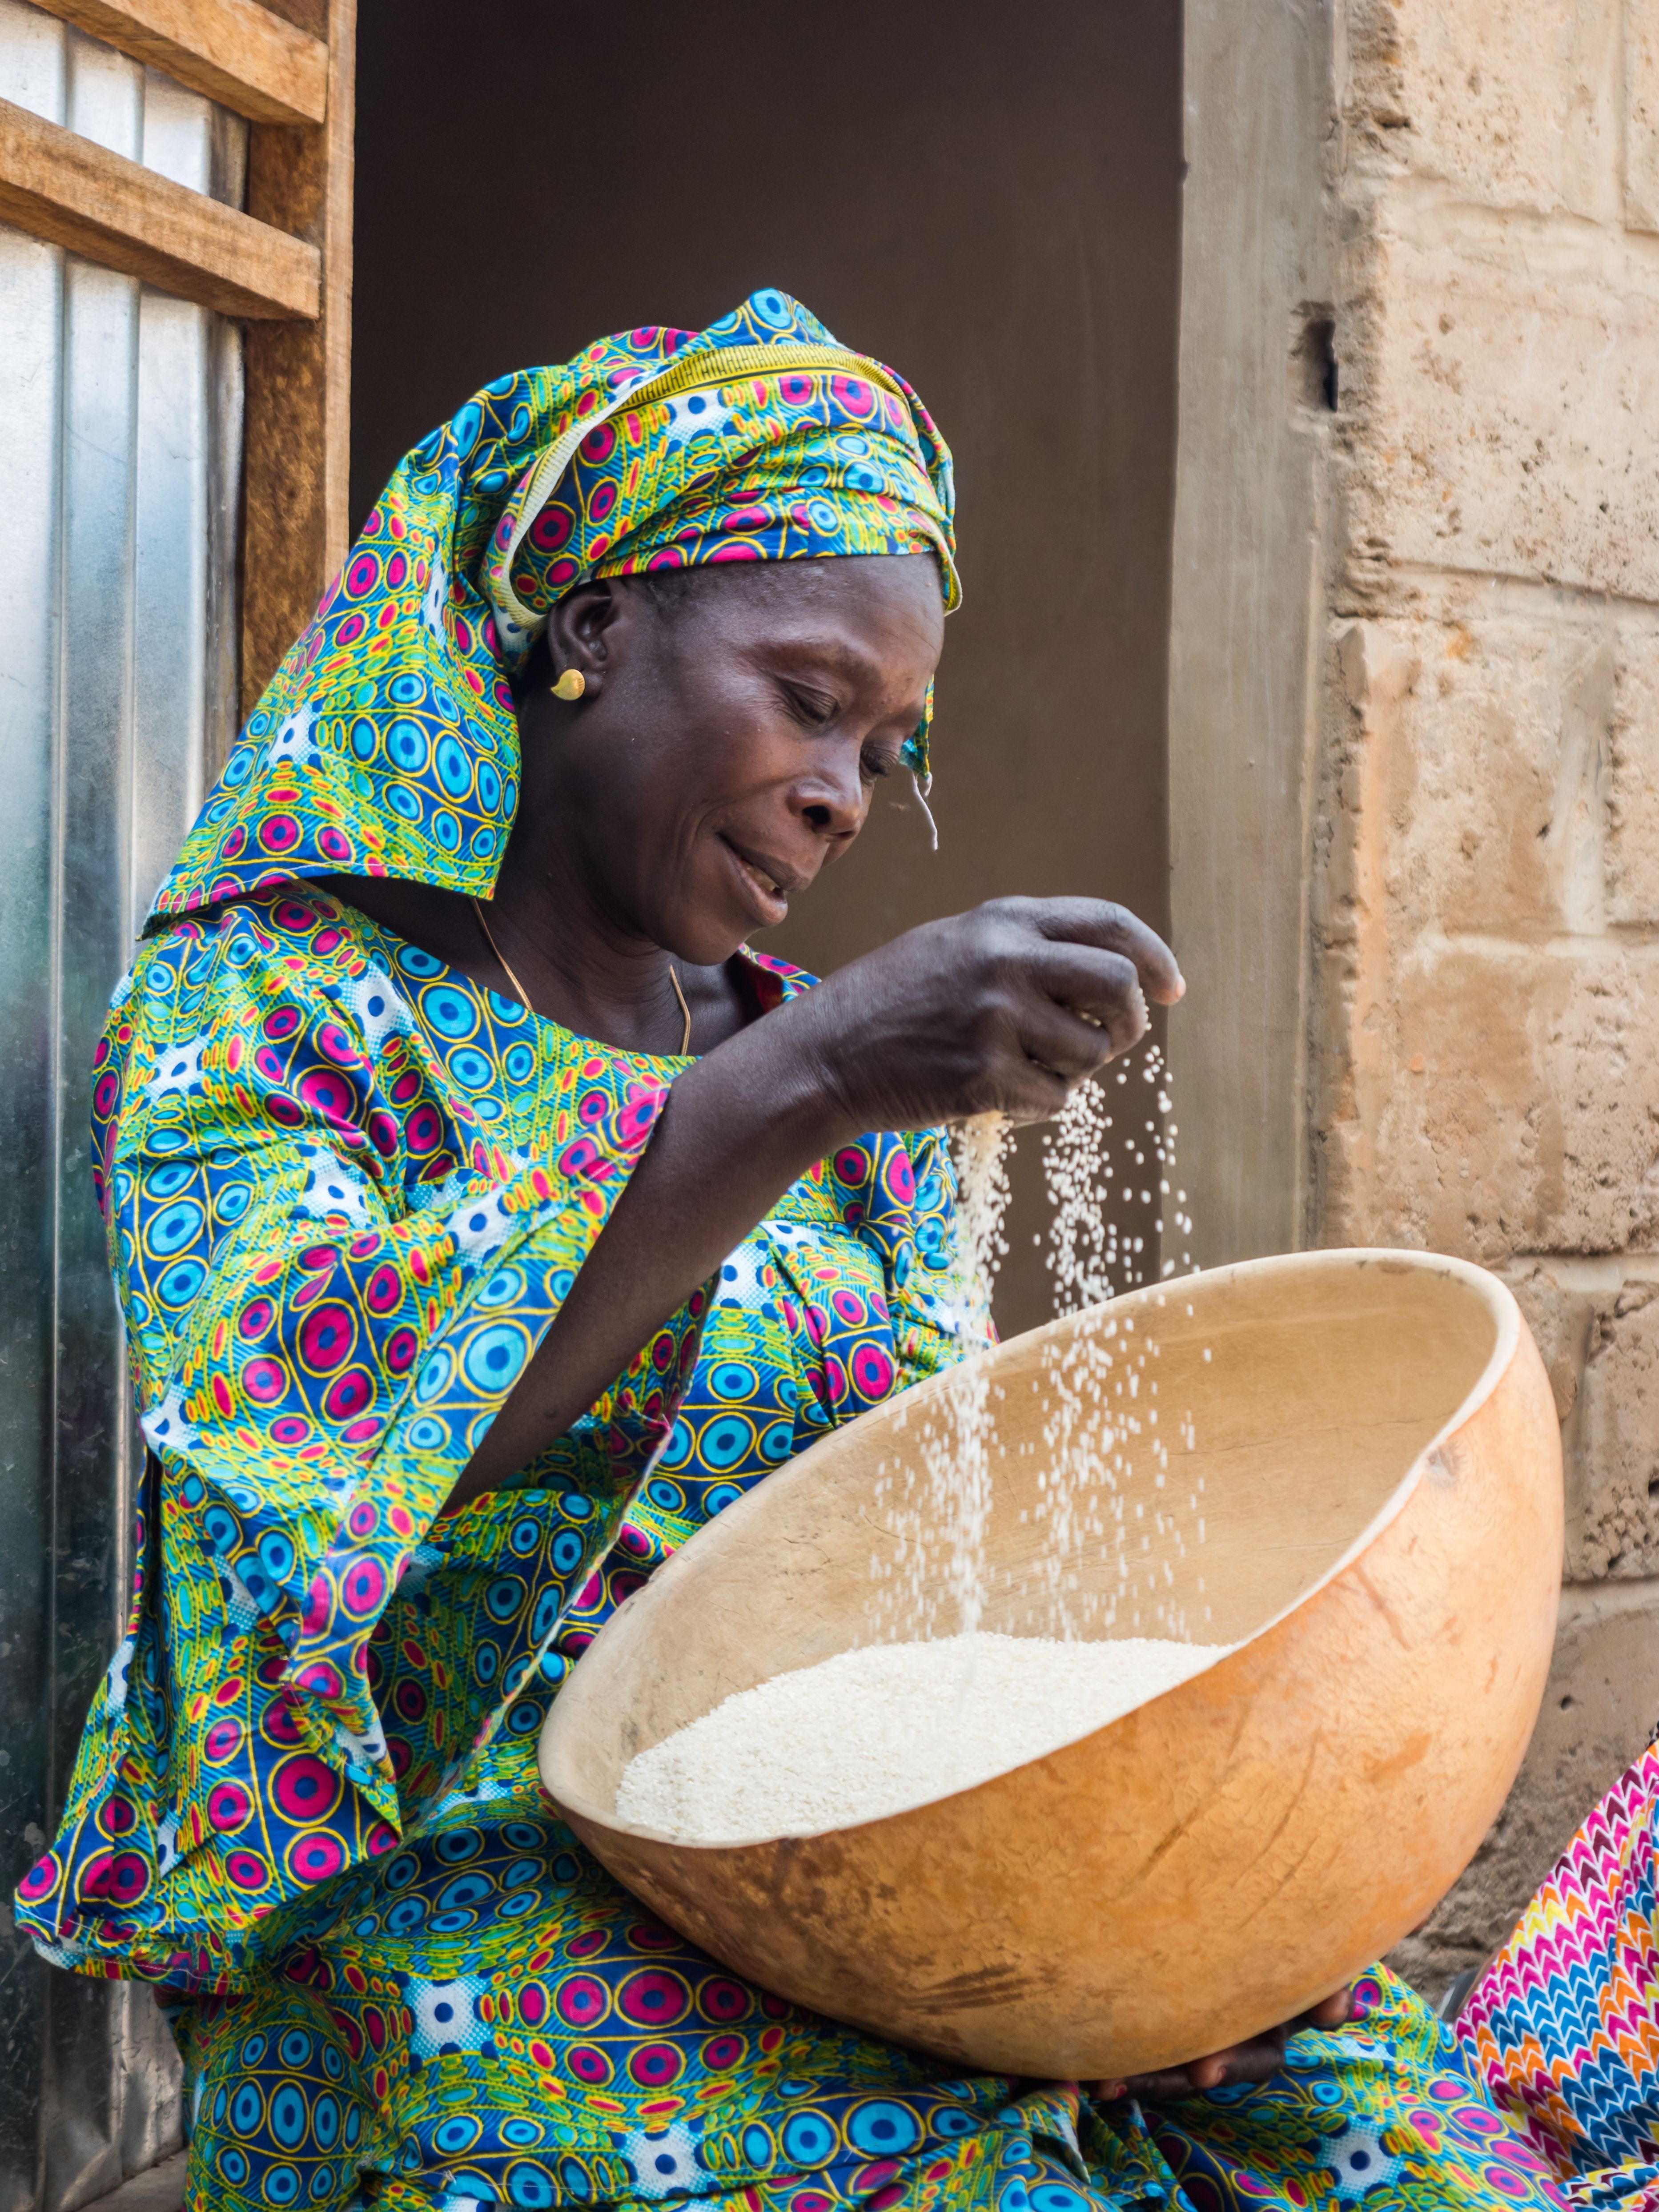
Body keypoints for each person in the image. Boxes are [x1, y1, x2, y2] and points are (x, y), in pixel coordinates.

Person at [16, 292, 1572, 2212]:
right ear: (592, 626)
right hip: (465, 1887)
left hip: (867, 1858)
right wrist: (809, 1075)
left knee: (1405, 2144)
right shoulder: (272, 1007)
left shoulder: (817, 1068)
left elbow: (918, 1555)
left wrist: (1140, 1898)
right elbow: (297, 1437)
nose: (848, 792)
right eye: (814, 698)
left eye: (891, 744)